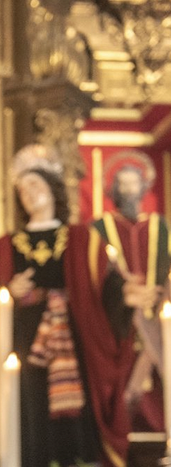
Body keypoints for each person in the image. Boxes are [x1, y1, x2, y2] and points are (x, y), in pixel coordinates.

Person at [0, 145, 146, 467]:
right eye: (23, 189)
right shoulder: (3, 247)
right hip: (20, 356)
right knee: (26, 423)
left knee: (75, 427)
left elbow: (107, 288)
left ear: (52, 188)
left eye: (36, 185)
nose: (30, 194)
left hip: (74, 352)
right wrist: (7, 291)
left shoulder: (83, 240)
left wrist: (125, 296)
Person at [91, 152, 171, 433]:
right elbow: (95, 275)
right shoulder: (100, 228)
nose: (127, 190)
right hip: (119, 323)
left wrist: (160, 297)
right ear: (113, 188)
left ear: (143, 186)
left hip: (159, 317)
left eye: (132, 183)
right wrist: (127, 294)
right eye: (121, 184)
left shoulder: (160, 226)